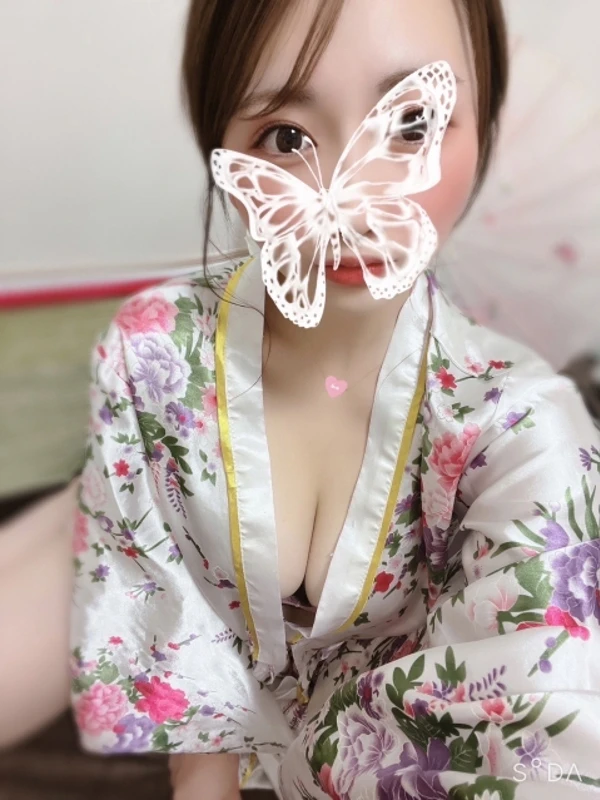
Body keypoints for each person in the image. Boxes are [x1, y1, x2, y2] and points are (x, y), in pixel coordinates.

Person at [3, 1, 600, 798]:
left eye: (412, 125)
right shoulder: (159, 347)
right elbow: (171, 634)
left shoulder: (523, 429)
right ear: (222, 148)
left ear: (483, 130)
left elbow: (540, 736)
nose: (353, 201)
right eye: (287, 137)